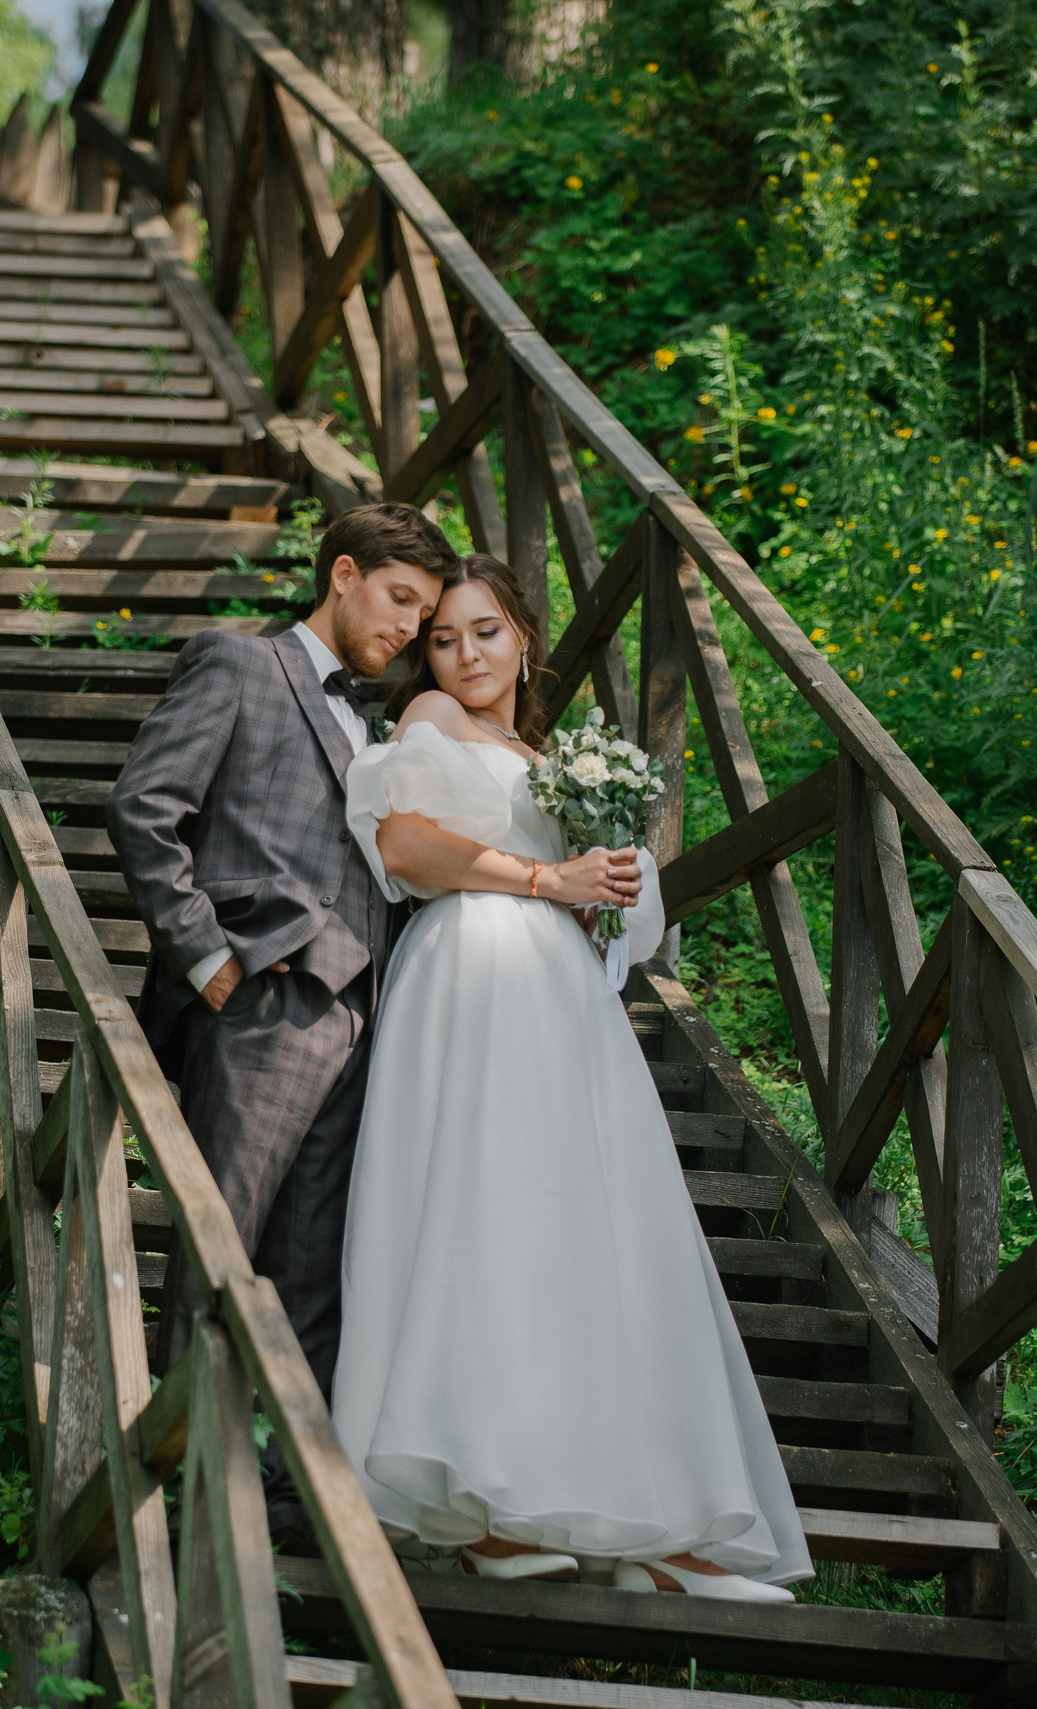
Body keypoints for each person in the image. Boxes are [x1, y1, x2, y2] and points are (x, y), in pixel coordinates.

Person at [332, 556, 812, 1601]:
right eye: (445, 636)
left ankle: (660, 1532)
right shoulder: (428, 718)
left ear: (523, 637)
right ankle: (474, 1506)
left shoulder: (549, 753)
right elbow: (409, 844)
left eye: (484, 632)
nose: (462, 654)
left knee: (592, 1233)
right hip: (469, 975)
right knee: (484, 1216)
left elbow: (624, 917)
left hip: (561, 1000)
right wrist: (549, 876)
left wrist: (612, 880)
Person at [106, 503, 459, 1544]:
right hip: (263, 997)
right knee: (228, 1232)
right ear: (343, 573)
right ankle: (178, 1472)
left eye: (427, 612)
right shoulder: (237, 665)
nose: (408, 627)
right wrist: (205, 954)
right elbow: (144, 806)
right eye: (400, 599)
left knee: (314, 1259)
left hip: (367, 1012)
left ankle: (287, 1485)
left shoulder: (389, 724)